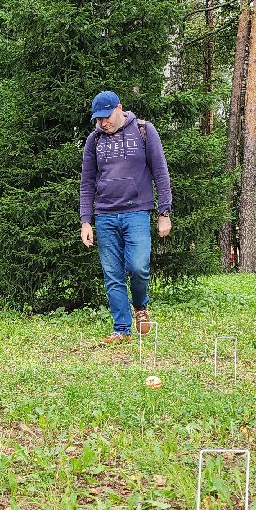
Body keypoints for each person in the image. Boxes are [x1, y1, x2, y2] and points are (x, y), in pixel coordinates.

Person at [78, 91, 171, 343]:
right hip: (105, 215)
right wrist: (86, 220)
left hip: (137, 212)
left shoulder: (144, 130)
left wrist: (165, 211)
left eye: (105, 117)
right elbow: (86, 182)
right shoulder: (93, 140)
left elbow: (160, 171)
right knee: (112, 275)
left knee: (138, 267)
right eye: (97, 119)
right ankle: (121, 329)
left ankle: (140, 306)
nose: (102, 123)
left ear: (119, 108)